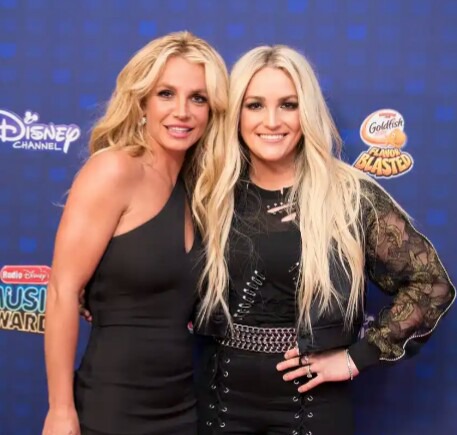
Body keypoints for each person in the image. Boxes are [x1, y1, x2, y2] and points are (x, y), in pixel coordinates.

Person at [193, 45, 455, 435]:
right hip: (219, 404)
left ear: (308, 112)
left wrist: (355, 358)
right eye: (255, 105)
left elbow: (432, 285)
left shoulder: (349, 195)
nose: (271, 121)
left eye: (288, 105)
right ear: (235, 113)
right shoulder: (210, 191)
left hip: (312, 411)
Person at [42, 31, 228, 435]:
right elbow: (61, 291)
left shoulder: (199, 190)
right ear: (142, 101)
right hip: (111, 409)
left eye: (198, 98)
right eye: (166, 94)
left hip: (182, 408)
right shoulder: (114, 169)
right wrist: (60, 410)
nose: (182, 111)